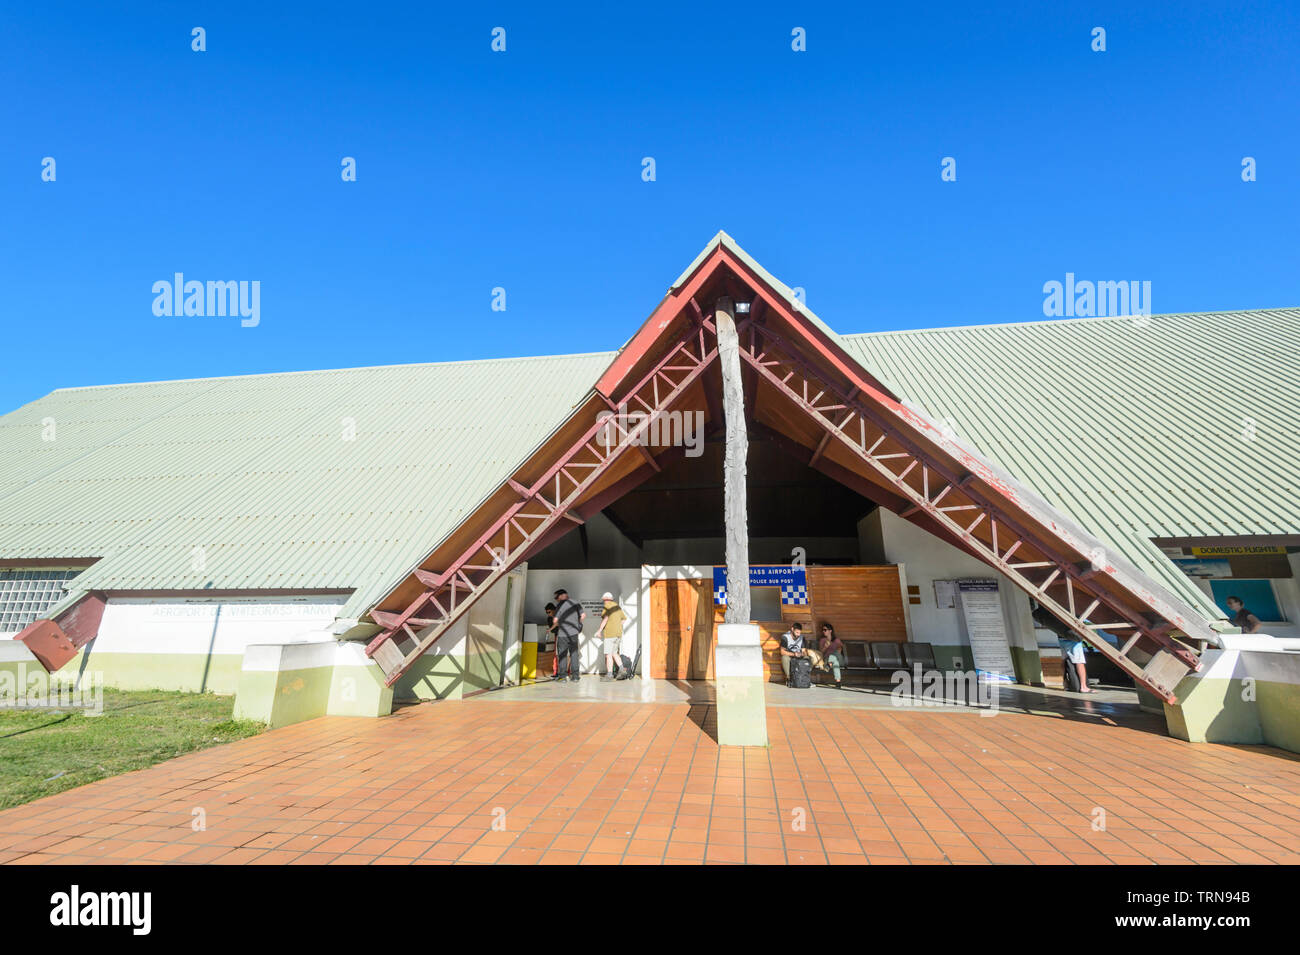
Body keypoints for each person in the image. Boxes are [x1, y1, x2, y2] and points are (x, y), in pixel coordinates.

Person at [1032, 604, 1093, 694]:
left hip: (1061, 638)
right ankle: (1083, 687)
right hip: (1074, 640)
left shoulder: (1054, 611)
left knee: (1063, 661)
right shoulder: (1069, 609)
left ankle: (1065, 684)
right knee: (1079, 662)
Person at [552, 588, 585, 683]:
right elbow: (583, 616)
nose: (557, 599)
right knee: (574, 654)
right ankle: (575, 676)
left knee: (562, 655)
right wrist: (577, 623)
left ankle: (563, 677)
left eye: (557, 597)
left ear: (562, 595)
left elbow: (555, 620)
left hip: (563, 634)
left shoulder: (560, 605)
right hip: (574, 633)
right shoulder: (576, 603)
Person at [596, 592, 627, 681]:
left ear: (605, 599)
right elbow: (624, 619)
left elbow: (605, 619)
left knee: (608, 655)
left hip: (610, 634)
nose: (603, 602)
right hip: (618, 634)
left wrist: (599, 631)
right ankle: (622, 670)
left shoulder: (607, 606)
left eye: (603, 600)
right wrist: (617, 626)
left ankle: (609, 675)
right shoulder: (617, 606)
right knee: (614, 653)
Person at [818, 622, 845, 689]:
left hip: (839, 658)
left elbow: (840, 650)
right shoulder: (822, 640)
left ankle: (828, 665)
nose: (823, 631)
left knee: (834, 655)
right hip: (827, 659)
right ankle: (838, 682)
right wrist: (825, 647)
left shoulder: (836, 640)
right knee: (835, 662)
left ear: (830, 631)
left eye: (825, 630)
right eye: (823, 630)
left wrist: (836, 650)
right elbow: (820, 652)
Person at [544, 602, 558, 678]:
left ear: (553, 610)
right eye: (547, 612)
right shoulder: (550, 619)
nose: (548, 614)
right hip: (557, 636)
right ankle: (556, 672)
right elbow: (553, 630)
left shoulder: (558, 615)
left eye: (549, 612)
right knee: (556, 654)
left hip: (563, 636)